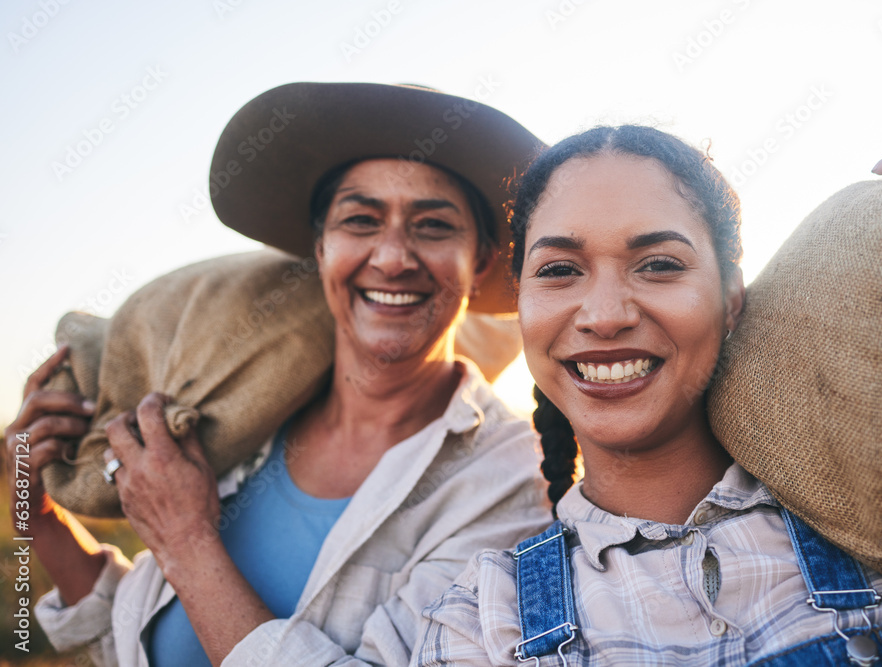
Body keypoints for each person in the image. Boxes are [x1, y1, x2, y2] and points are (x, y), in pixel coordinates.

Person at [414, 80, 882, 666]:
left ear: (731, 299)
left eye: (659, 265)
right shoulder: (483, 621)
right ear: (521, 302)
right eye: (561, 269)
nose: (606, 315)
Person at [4, 83, 552, 667]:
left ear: (483, 262)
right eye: (361, 220)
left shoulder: (513, 482)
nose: (392, 257)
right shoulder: (235, 417)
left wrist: (187, 543)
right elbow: (140, 641)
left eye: (434, 226)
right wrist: (38, 516)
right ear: (320, 250)